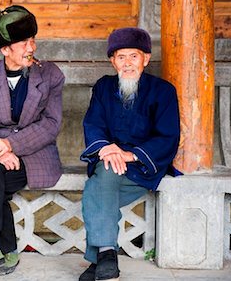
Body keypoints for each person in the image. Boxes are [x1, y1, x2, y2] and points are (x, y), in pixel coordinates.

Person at [0, 5, 65, 276]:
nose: (31, 47)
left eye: (32, 40)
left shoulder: (51, 75)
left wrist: (12, 145)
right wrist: (0, 150)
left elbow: (51, 125)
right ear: (5, 49)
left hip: (35, 156)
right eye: (23, 43)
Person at [79, 27, 181, 281]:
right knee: (106, 174)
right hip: (110, 162)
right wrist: (106, 148)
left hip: (144, 165)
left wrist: (132, 155)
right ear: (113, 61)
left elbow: (168, 136)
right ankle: (106, 257)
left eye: (133, 56)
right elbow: (93, 123)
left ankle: (101, 256)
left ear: (146, 59)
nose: (127, 63)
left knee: (95, 190)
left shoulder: (163, 91)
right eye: (121, 57)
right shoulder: (103, 87)